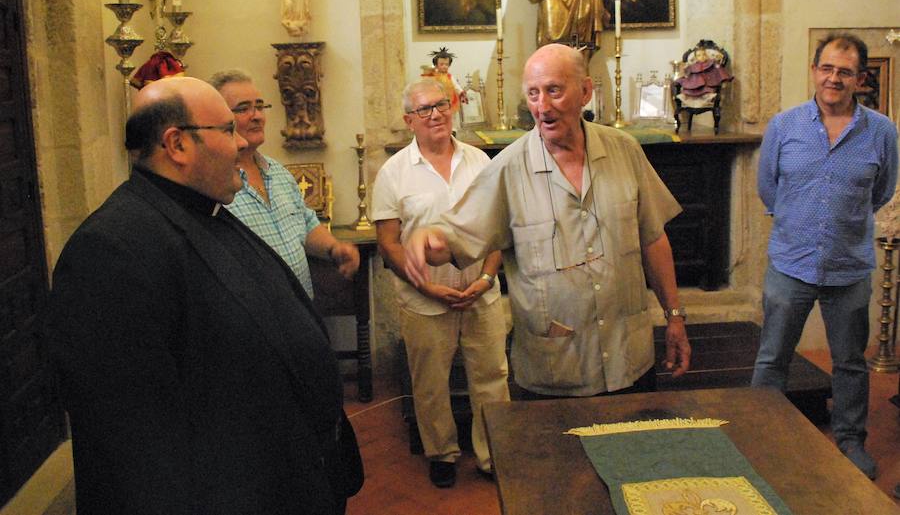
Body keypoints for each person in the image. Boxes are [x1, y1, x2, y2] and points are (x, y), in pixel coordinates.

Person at [46, 76, 363, 515]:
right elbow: (133, 443)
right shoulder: (111, 249)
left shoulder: (205, 209)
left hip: (289, 476)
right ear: (177, 145)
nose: (240, 144)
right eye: (228, 129)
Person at [404, 44, 691, 399]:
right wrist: (425, 239)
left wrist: (674, 316)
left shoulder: (625, 151)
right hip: (555, 372)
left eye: (554, 90)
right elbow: (453, 238)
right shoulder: (508, 169)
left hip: (628, 359)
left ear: (585, 91)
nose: (543, 106)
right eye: (534, 93)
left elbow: (652, 238)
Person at [752, 32, 898, 480]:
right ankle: (760, 438)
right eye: (827, 68)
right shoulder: (784, 126)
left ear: (860, 78)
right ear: (815, 71)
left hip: (849, 268)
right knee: (772, 356)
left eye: (845, 71)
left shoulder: (882, 132)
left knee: (851, 360)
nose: (834, 78)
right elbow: (768, 187)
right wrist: (800, 223)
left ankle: (850, 440)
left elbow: (882, 190)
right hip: (790, 263)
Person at [372, 79, 509, 488]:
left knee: (491, 377)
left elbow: (497, 230)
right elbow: (388, 243)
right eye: (425, 109)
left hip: (481, 295)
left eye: (441, 105)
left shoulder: (480, 162)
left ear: (453, 108)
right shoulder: (393, 173)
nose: (435, 114)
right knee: (430, 384)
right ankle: (442, 453)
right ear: (408, 120)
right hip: (425, 301)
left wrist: (485, 279)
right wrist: (427, 286)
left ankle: (492, 456)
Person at [209, 69, 359, 299]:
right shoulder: (213, 184)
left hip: (301, 311)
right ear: (218, 118)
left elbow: (306, 223)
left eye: (259, 106)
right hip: (254, 319)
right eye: (243, 108)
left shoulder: (278, 172)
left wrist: (334, 248)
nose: (257, 115)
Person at [421, 47, 467, 116]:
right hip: (437, 99)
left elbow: (456, 85)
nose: (444, 66)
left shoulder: (449, 76)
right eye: (441, 64)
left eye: (446, 64)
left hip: (449, 99)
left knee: (450, 115)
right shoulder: (434, 76)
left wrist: (461, 92)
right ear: (436, 65)